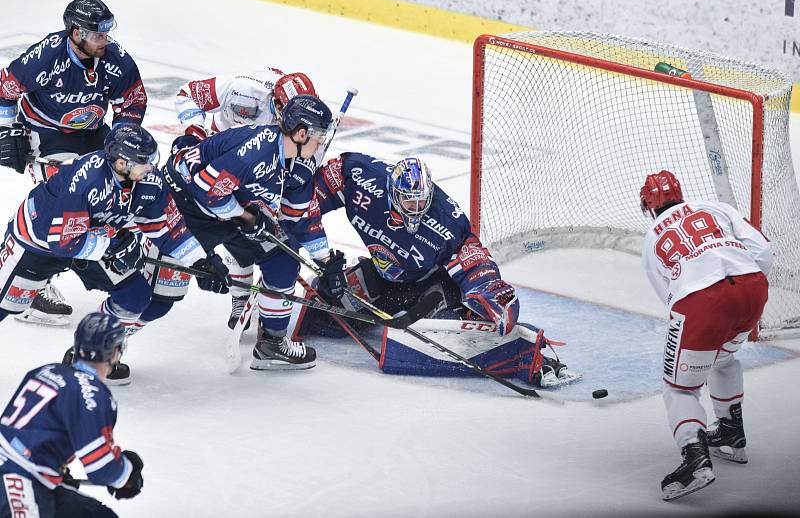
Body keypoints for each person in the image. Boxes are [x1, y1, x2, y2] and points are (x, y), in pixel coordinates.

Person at [291, 153, 576, 386]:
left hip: (428, 289)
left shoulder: (445, 219)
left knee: (451, 322)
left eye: (421, 201)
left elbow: (472, 256)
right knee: (326, 306)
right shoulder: (364, 178)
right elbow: (324, 184)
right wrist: (292, 213)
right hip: (383, 277)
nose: (415, 209)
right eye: (408, 201)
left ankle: (524, 352)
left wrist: (489, 287)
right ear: (392, 193)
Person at [0, 124, 229, 384]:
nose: (151, 168)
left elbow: (168, 227)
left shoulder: (147, 182)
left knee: (135, 296)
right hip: (38, 241)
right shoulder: (87, 181)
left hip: (96, 239)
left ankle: (88, 358)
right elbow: (63, 242)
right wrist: (112, 247)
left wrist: (201, 260)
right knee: (5, 305)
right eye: (144, 162)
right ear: (121, 163)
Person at [0, 0, 148, 325]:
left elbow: (133, 101)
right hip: (46, 135)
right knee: (67, 194)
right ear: (75, 32)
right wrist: (5, 130)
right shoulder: (47, 56)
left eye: (107, 33)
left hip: (96, 135)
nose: (104, 40)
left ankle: (102, 247)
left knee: (122, 187)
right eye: (97, 34)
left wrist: (123, 140)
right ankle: (36, 279)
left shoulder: (116, 60)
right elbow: (5, 90)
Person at [163, 94, 333, 370]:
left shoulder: (297, 163)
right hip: (185, 205)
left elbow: (298, 217)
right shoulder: (258, 150)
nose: (322, 142)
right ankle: (96, 350)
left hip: (227, 212)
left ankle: (271, 344)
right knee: (156, 299)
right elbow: (207, 191)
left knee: (282, 257)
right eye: (320, 135)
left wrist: (327, 262)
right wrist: (246, 217)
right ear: (302, 133)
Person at [639, 170, 773, 501]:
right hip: (752, 289)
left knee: (678, 388)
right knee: (723, 356)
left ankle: (694, 458)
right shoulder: (716, 207)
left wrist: (709, 310)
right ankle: (730, 433)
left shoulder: (652, 236)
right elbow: (763, 250)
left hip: (702, 303)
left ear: (648, 205)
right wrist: (743, 287)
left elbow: (670, 298)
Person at [0, 313, 144, 518]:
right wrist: (126, 474)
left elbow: (23, 430)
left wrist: (57, 471)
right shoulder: (92, 395)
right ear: (115, 353)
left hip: (25, 473)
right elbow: (101, 466)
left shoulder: (45, 371)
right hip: (18, 481)